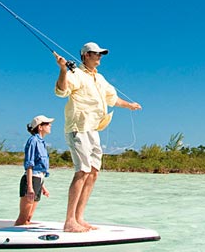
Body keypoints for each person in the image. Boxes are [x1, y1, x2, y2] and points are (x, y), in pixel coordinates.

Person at [53, 42, 141, 232]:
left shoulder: (100, 79)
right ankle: (69, 221)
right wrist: (62, 69)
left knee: (93, 172)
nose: (99, 56)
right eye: (96, 54)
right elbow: (61, 91)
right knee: (82, 171)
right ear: (85, 55)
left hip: (94, 129)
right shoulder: (75, 74)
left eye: (101, 54)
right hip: (78, 127)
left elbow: (113, 99)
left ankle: (79, 218)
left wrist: (130, 105)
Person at [15, 114, 54, 226]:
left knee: (28, 218)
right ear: (40, 127)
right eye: (47, 123)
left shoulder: (42, 142)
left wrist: (42, 187)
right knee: (23, 218)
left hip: (38, 180)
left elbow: (39, 169)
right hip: (31, 181)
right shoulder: (33, 141)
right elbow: (29, 165)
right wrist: (30, 187)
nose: (50, 125)